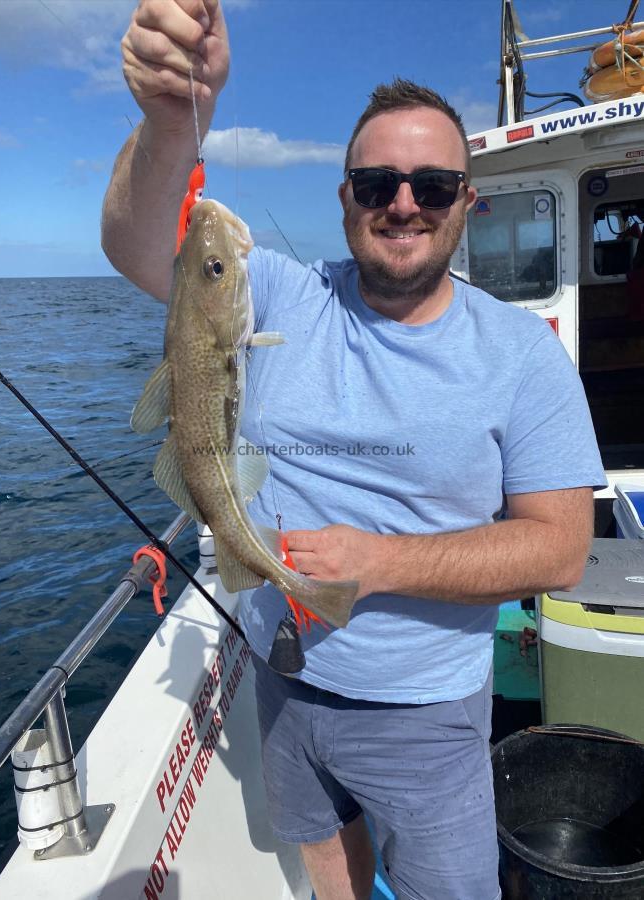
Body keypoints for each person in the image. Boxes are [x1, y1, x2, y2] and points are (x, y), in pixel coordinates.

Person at [102, 3, 606, 898]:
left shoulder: (521, 355)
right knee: (323, 852)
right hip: (280, 673)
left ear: (466, 202)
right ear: (345, 198)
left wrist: (380, 563)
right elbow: (144, 247)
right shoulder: (285, 294)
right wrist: (170, 123)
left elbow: (560, 549)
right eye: (375, 183)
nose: (402, 202)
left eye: (432, 185)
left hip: (426, 709)